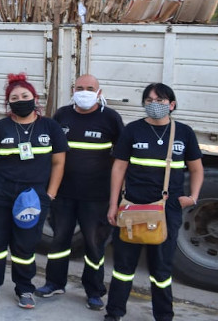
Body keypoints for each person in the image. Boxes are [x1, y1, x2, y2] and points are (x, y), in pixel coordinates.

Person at [105, 83, 203, 321]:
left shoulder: (184, 132)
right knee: (124, 267)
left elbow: (197, 168)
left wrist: (192, 197)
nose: (154, 105)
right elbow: (119, 167)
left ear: (172, 104)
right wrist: (113, 204)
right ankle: (114, 313)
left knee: (161, 268)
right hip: (133, 206)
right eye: (149, 100)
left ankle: (163, 316)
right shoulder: (133, 130)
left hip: (167, 209)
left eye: (159, 101)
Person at [0, 73, 68, 310]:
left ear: (34, 98)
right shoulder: (0, 127)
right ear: (9, 103)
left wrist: (50, 195)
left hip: (33, 195)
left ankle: (24, 289)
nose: (20, 100)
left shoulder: (50, 127)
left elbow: (59, 163)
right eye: (14, 97)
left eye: (25, 95)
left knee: (25, 246)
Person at [35, 74, 124, 311]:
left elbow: (122, 159)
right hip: (63, 194)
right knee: (59, 241)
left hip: (97, 196)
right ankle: (54, 283)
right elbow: (50, 152)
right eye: (80, 88)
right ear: (73, 90)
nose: (84, 92)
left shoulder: (111, 118)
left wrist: (119, 194)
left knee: (94, 246)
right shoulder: (62, 115)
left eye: (90, 88)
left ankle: (94, 291)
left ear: (99, 92)